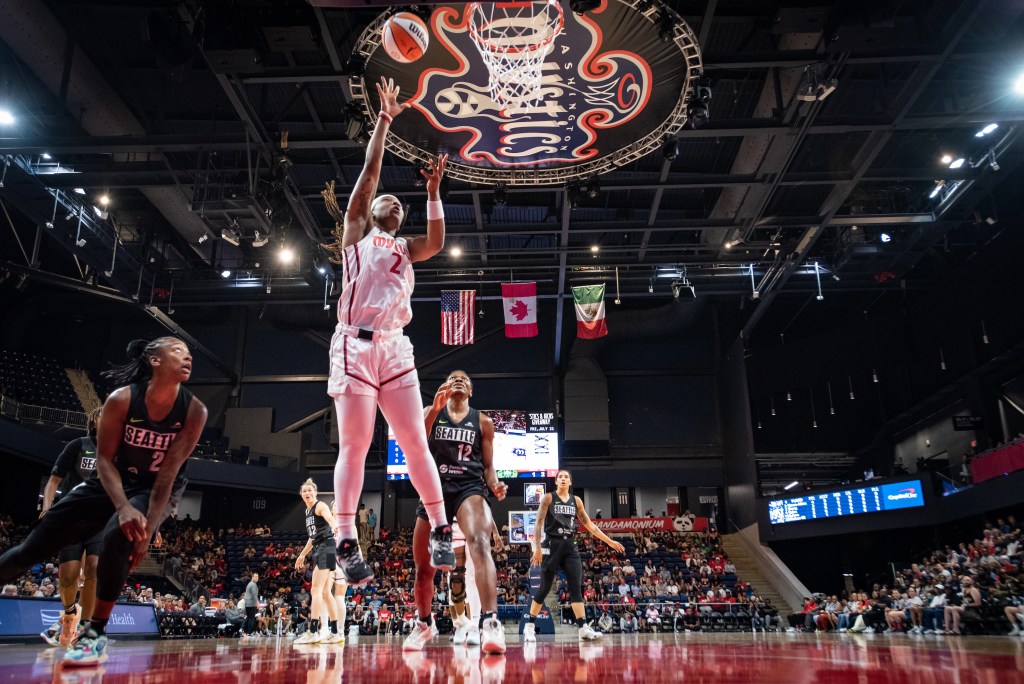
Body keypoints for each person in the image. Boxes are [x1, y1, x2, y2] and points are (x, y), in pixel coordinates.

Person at [319, 76, 453, 584]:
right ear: (371, 212)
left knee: (415, 441)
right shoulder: (357, 234)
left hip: (396, 347)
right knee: (355, 442)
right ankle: (347, 541)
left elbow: (436, 242)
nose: (393, 203)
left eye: (401, 203)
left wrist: (434, 193)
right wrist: (384, 118)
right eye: (386, 201)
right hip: (354, 343)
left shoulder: (407, 248)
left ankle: (442, 530)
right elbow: (372, 174)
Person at [0, 337, 206, 666]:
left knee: (117, 536)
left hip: (155, 487)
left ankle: (95, 633)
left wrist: (149, 527)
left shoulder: (194, 410)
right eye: (177, 351)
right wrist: (121, 506)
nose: (187, 357)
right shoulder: (122, 400)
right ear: (154, 360)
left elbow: (168, 473)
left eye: (189, 353)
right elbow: (105, 460)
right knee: (30, 551)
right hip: (109, 480)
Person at [405, 371, 508, 653]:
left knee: (480, 543)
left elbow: (488, 466)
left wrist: (495, 483)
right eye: (452, 377)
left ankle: (490, 623)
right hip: (434, 488)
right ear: (445, 387)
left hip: (469, 486)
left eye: (464, 378)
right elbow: (415, 444)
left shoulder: (483, 421)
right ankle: (425, 624)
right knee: (424, 568)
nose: (459, 379)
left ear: (471, 391)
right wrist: (435, 410)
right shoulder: (432, 411)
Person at [522, 470, 625, 643]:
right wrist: (537, 548)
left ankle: (583, 628)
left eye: (566, 477)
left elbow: (590, 525)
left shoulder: (576, 501)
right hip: (551, 545)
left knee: (576, 588)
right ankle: (529, 626)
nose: (563, 479)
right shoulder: (548, 498)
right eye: (560, 477)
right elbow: (538, 523)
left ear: (570, 482)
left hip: (570, 546)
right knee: (545, 588)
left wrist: (609, 541)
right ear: (556, 481)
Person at [38, 407, 104, 647]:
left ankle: (85, 627)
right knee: (69, 575)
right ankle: (68, 614)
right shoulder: (78, 444)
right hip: (71, 517)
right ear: (93, 421)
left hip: (98, 519)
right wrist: (47, 508)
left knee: (94, 568)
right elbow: (53, 480)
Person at [294, 480, 344, 645]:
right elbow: (312, 537)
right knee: (324, 593)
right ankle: (336, 633)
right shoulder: (308, 511)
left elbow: (330, 518)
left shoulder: (320, 505)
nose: (307, 493)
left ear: (315, 492)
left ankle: (313, 631)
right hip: (321, 548)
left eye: (309, 490)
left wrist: (334, 525)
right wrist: (301, 555)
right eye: (304, 491)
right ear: (301, 495)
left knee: (315, 590)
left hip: (326, 548)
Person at [243, 573, 260, 639]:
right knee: (251, 618)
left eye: (257, 576)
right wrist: (257, 602)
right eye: (255, 576)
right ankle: (249, 633)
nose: (257, 578)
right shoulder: (253, 584)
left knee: (249, 618)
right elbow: (254, 595)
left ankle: (244, 631)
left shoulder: (249, 584)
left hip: (247, 603)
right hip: (252, 603)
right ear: (252, 577)